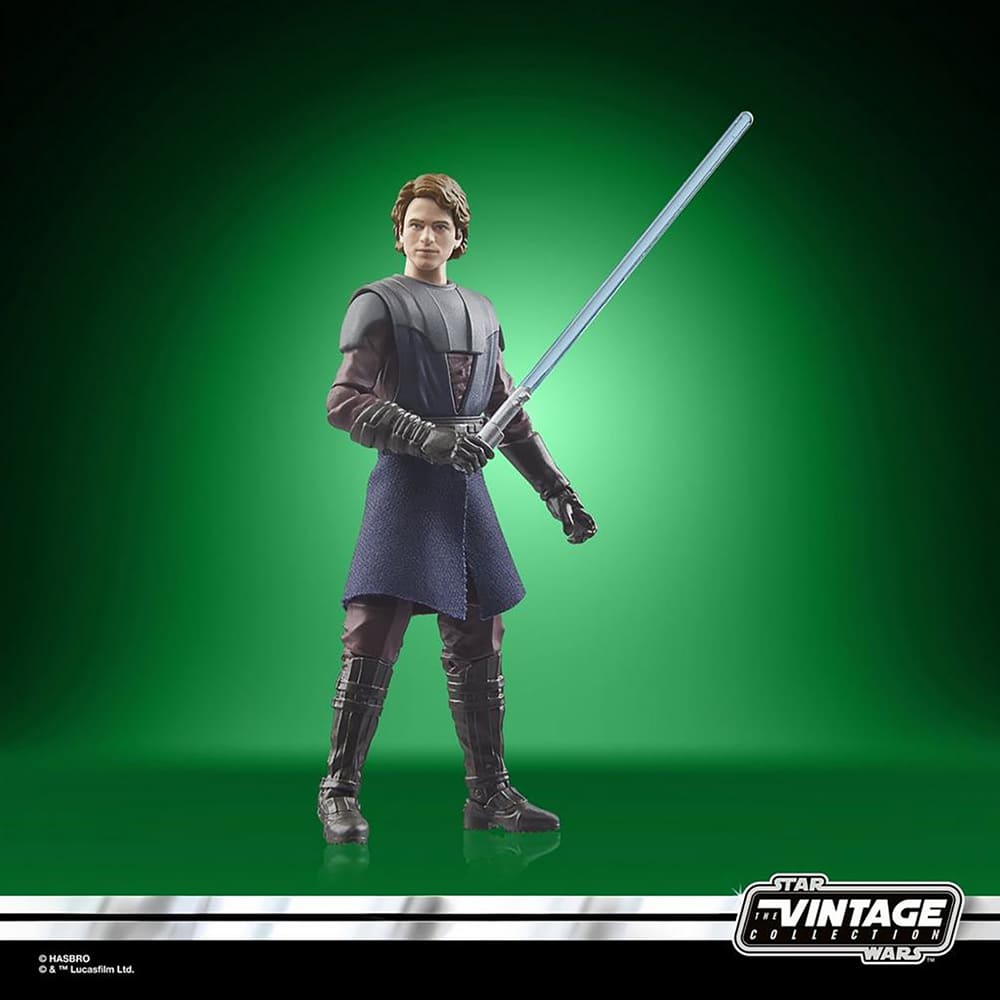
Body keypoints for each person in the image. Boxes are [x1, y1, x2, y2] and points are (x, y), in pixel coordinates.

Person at [318, 173, 596, 844]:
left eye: (439, 226)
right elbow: (344, 402)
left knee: (479, 642)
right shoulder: (377, 303)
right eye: (415, 224)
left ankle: (490, 794)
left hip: (466, 493)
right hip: (406, 485)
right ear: (398, 233)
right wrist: (427, 436)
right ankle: (339, 791)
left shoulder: (482, 310)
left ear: (458, 237)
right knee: (371, 638)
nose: (426, 236)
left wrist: (557, 491)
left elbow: (507, 415)